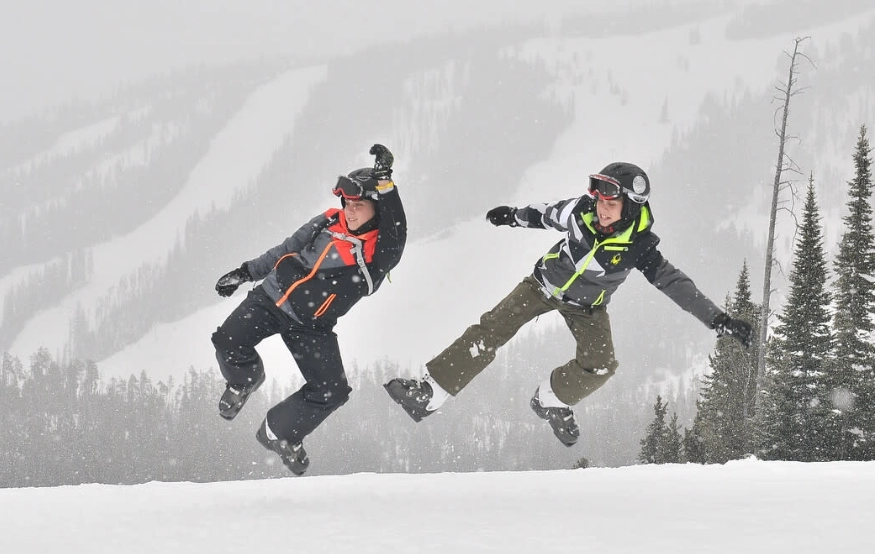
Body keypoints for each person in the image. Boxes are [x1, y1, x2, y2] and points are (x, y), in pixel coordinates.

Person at [384, 162, 751, 447]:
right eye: (600, 202)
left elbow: (675, 285)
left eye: (610, 204)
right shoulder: (580, 211)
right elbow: (545, 214)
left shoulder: (639, 246)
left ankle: (551, 399)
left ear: (629, 206)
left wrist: (717, 319)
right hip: (542, 285)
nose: (602, 209)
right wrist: (512, 215)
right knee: (490, 331)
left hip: (588, 306)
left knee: (602, 365)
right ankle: (429, 394)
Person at [212, 143, 406, 475]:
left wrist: (386, 185)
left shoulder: (377, 256)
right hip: (270, 300)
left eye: (359, 205)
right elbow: (286, 249)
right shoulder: (328, 222)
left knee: (332, 391)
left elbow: (397, 231)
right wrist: (246, 273)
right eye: (347, 203)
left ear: (377, 209)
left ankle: (281, 432)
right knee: (226, 341)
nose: (350, 210)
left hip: (312, 326)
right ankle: (244, 381)